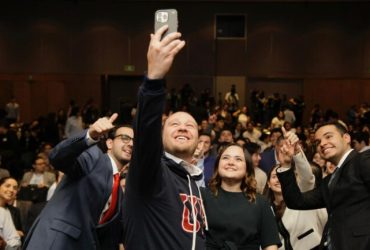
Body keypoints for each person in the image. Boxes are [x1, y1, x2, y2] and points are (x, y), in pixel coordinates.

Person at [122, 25, 206, 250]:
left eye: (190, 125)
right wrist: (154, 80)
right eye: (174, 124)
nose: (182, 128)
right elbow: (146, 131)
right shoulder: (152, 169)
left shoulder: (193, 183)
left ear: (199, 139)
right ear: (160, 135)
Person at [23, 115, 133, 250]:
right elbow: (57, 157)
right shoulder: (94, 157)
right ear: (109, 143)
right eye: (125, 138)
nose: (131, 144)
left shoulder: (120, 193)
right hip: (57, 242)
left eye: (135, 141)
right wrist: (90, 135)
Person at [276, 122, 370, 250]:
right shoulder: (328, 181)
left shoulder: (363, 160)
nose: (322, 143)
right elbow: (296, 201)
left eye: (328, 136)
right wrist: (286, 165)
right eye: (318, 142)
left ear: (346, 138)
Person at [201, 143, 280, 250]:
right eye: (225, 158)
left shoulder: (260, 203)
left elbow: (270, 245)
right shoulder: (202, 196)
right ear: (217, 165)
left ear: (247, 168)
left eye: (238, 159)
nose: (231, 162)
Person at [265, 129, 327, 250]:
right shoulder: (266, 207)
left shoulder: (301, 196)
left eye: (280, 176)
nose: (278, 180)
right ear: (268, 183)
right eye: (274, 176)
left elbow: (307, 179)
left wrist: (297, 152)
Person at [0, 177, 22, 250]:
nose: (11, 190)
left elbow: (17, 238)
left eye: (15, 188)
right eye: (7, 186)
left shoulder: (13, 211)